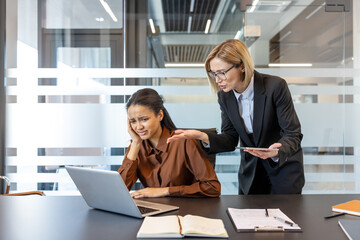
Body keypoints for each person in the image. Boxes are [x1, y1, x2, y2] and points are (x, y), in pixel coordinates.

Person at [167, 39, 305, 195]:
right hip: (251, 175)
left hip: (282, 172)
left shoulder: (275, 87)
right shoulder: (225, 97)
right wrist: (203, 136)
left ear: (242, 66)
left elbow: (293, 134)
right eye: (213, 74)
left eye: (222, 72)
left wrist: (277, 151)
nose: (218, 79)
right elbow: (230, 138)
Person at [117, 88, 221, 198]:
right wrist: (136, 143)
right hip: (152, 212)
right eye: (133, 121)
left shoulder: (184, 143)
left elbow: (213, 187)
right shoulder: (136, 147)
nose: (138, 127)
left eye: (144, 119)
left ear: (160, 115)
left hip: (183, 211)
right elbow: (118, 191)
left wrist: (166, 191)